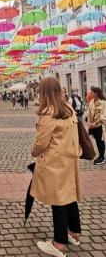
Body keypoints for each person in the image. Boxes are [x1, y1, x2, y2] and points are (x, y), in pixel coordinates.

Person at [31, 77, 81, 257]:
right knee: (69, 196)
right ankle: (74, 233)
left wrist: (33, 151)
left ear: (43, 92)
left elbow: (41, 142)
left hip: (54, 161)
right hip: (69, 159)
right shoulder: (68, 108)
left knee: (58, 200)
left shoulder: (49, 112)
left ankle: (59, 244)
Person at [87, 87, 106, 165]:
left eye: (92, 92)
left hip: (100, 126)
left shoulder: (103, 102)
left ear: (96, 93)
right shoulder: (91, 101)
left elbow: (104, 115)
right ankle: (100, 155)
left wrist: (96, 123)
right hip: (92, 126)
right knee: (97, 141)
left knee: (100, 141)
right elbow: (88, 112)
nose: (90, 94)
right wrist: (89, 122)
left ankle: (102, 157)